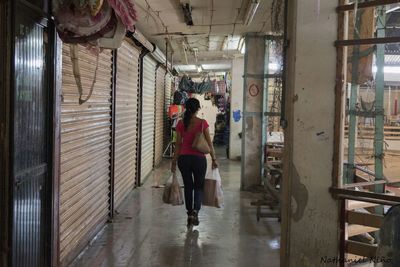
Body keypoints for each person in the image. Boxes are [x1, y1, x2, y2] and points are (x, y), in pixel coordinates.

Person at [171, 98, 218, 227]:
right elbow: (209, 143)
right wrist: (214, 159)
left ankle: (189, 212)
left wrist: (174, 161)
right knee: (198, 186)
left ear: (186, 108)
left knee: (188, 186)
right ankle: (195, 212)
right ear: (197, 109)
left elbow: (178, 145)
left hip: (184, 159)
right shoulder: (202, 123)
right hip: (199, 160)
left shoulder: (180, 123)